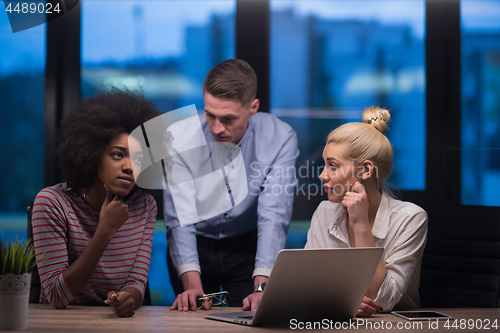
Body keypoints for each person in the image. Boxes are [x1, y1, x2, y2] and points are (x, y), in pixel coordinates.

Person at [165, 59, 299, 311]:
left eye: (228, 118)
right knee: (192, 321)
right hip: (194, 245)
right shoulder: (179, 137)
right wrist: (193, 286)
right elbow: (180, 219)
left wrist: (261, 288)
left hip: (246, 248)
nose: (217, 128)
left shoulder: (281, 138)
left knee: (251, 320)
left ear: (253, 107)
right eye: (210, 114)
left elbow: (273, 214)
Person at [32, 89, 161, 317]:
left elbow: (137, 280)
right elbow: (56, 295)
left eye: (139, 159)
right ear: (91, 157)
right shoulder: (52, 203)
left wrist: (128, 299)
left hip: (115, 323)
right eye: (118, 155)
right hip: (58, 323)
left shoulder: (145, 206)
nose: (130, 166)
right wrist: (104, 231)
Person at [305, 106, 428, 317]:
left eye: (332, 166)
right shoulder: (325, 211)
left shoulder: (411, 218)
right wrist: (340, 301)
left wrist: (361, 225)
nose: (323, 175)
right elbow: (305, 285)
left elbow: (380, 300)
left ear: (366, 170)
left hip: (393, 328)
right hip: (336, 324)